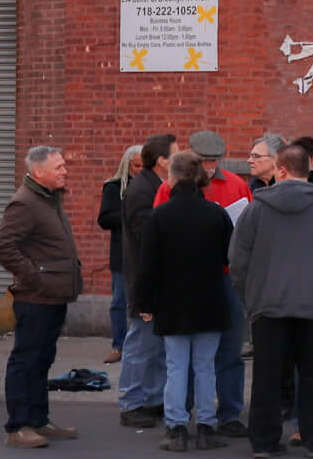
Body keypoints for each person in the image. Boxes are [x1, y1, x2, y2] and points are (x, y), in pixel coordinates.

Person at [230, 143, 313, 458]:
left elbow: (237, 261)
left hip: (269, 305)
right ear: (309, 170)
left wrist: (250, 297)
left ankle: (263, 441)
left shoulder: (257, 208)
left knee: (267, 377)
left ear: (282, 170)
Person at [154, 131, 253, 440]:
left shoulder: (237, 185)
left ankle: (228, 413)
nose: (210, 168)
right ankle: (183, 415)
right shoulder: (168, 190)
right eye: (204, 163)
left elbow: (247, 230)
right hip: (187, 278)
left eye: (214, 162)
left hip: (224, 276)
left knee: (228, 350)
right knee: (187, 358)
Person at [138, 150, 236, 452]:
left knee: (177, 366)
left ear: (173, 178)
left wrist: (145, 303)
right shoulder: (217, 214)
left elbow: (148, 264)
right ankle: (206, 426)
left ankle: (176, 428)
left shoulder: (159, 216)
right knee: (206, 366)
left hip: (172, 300)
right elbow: (227, 258)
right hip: (210, 298)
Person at [0, 144, 84, 450]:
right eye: (58, 167)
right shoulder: (25, 203)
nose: (65, 171)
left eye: (64, 165)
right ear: (38, 172)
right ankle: (18, 426)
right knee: (25, 360)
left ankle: (39, 419)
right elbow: (3, 247)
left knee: (42, 360)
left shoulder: (49, 199)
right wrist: (34, 276)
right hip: (36, 297)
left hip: (53, 295)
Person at [119, 134, 176, 428]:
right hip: (145, 281)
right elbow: (145, 236)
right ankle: (131, 402)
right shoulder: (143, 190)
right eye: (175, 155)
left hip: (156, 279)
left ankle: (153, 398)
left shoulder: (158, 186)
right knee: (141, 343)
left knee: (155, 344)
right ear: (162, 161)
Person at [100, 145, 143, 364]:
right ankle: (119, 345)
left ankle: (139, 345)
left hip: (144, 252)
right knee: (119, 300)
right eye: (136, 165)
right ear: (127, 164)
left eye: (143, 165)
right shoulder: (113, 187)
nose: (139, 169)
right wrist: (129, 215)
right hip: (122, 253)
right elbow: (104, 219)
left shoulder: (153, 186)